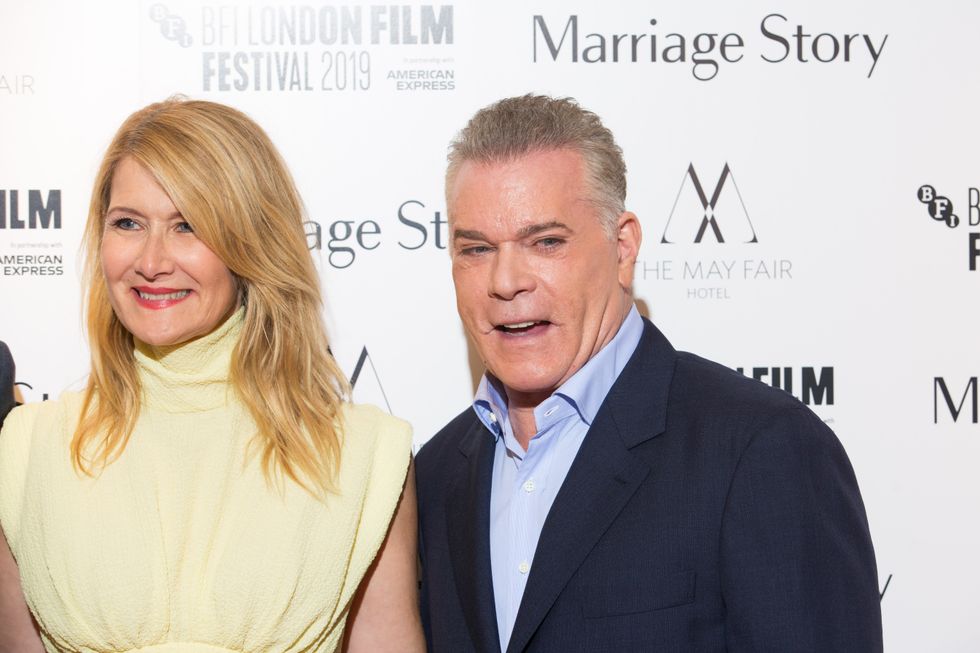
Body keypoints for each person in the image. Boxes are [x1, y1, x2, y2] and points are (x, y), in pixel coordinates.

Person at [415, 95, 882, 652]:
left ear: (623, 246)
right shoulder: (437, 474)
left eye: (546, 242)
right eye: (476, 249)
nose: (506, 280)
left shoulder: (759, 448)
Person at [0, 99, 425, 653]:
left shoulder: (362, 454)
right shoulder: (29, 449)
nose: (151, 261)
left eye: (188, 227)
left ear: (250, 243)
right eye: (128, 223)